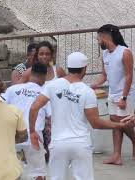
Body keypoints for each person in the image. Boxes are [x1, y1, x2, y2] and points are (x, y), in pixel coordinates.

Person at [29, 52, 135, 180]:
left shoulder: (52, 85)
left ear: (68, 67)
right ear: (84, 69)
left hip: (58, 144)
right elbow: (96, 123)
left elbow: (34, 106)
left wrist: (33, 131)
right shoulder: (87, 91)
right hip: (81, 144)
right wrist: (120, 125)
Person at [91, 24, 135, 165]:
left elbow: (129, 76)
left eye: (98, 38)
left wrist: (123, 97)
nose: (98, 42)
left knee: (124, 123)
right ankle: (116, 155)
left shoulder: (125, 52)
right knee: (115, 122)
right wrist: (93, 85)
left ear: (105, 36)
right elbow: (104, 75)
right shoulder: (105, 54)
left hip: (126, 94)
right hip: (112, 94)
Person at [21, 41, 66, 162]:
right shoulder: (29, 73)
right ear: (37, 56)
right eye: (41, 54)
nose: (44, 56)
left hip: (55, 111)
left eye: (47, 54)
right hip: (36, 113)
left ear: (52, 56)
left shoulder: (59, 71)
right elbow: (20, 91)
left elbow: (67, 88)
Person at [4, 62, 50, 180]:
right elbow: (50, 118)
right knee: (38, 173)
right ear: (45, 76)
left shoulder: (11, 89)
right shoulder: (45, 93)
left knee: (14, 174)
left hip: (13, 138)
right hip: (34, 137)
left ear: (30, 74)